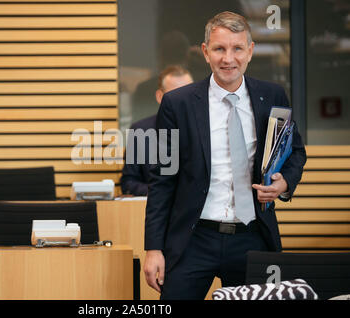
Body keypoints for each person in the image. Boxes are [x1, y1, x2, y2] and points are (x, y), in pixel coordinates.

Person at [143, 11, 307, 300]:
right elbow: (162, 179)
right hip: (193, 239)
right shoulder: (175, 104)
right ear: (206, 52)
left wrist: (283, 185)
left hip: (253, 237)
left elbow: (295, 151)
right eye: (219, 49)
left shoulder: (273, 96)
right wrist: (153, 248)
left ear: (250, 51)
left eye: (237, 49)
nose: (228, 59)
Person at [121, 65, 193, 196]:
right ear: (160, 96)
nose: (184, 100)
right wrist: (161, 192)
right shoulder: (140, 131)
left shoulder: (207, 128)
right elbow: (128, 183)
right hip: (157, 208)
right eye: (176, 95)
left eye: (189, 94)